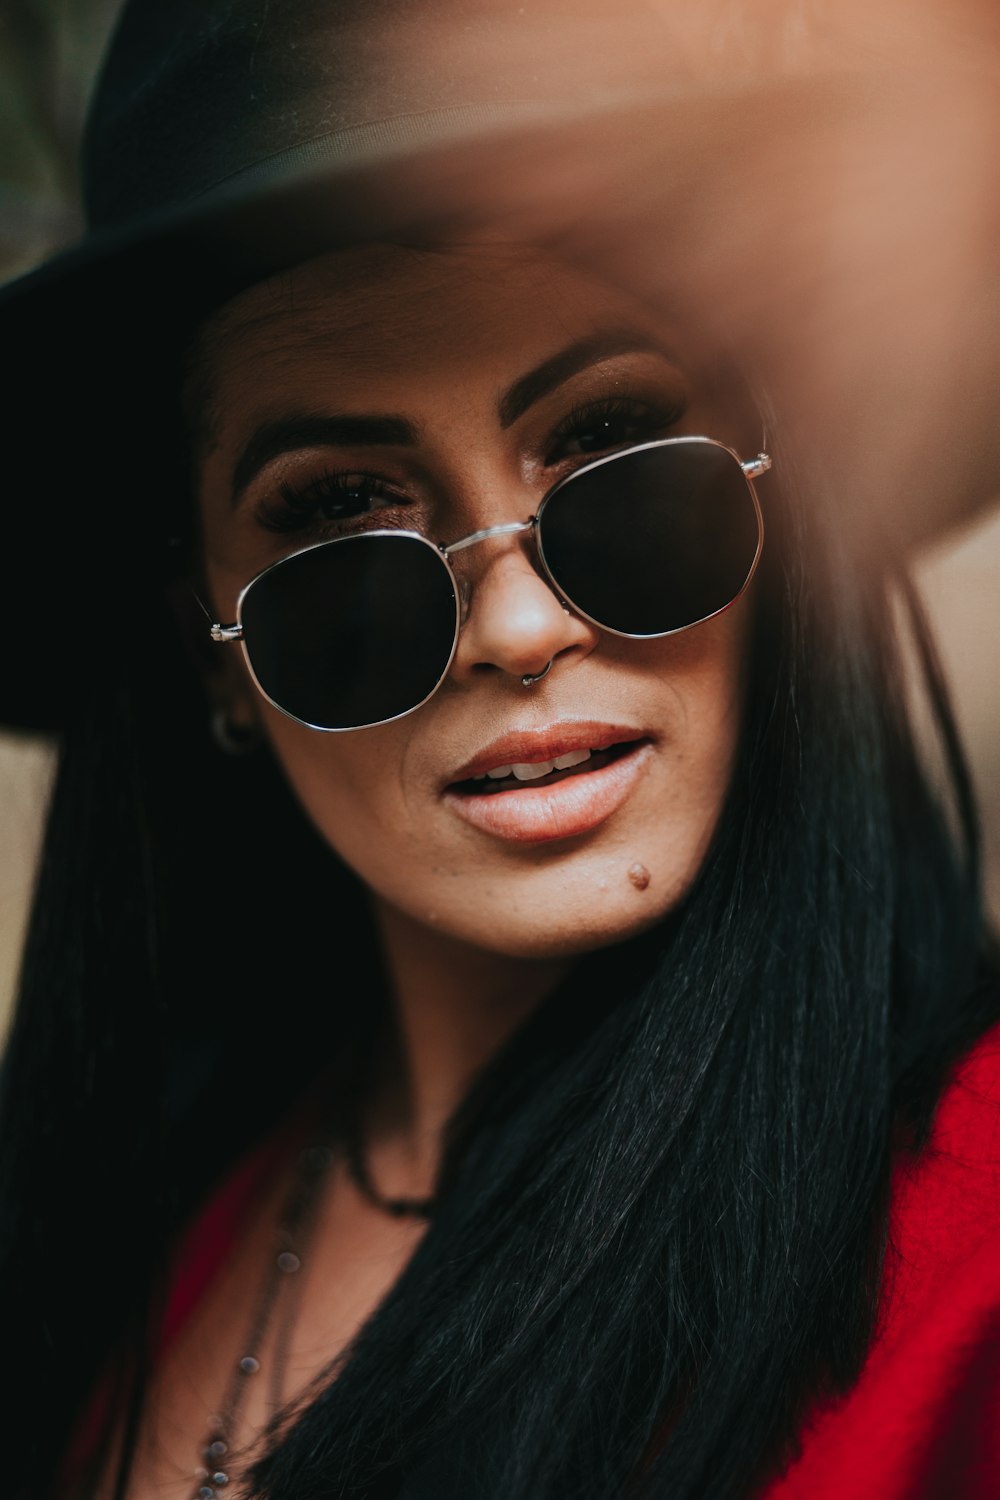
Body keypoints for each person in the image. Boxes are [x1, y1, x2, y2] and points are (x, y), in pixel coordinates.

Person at [1, 2, 998, 1498]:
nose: (519, 625)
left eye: (615, 450)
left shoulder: (975, 1258)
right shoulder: (133, 1243)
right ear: (206, 639)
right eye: (340, 519)